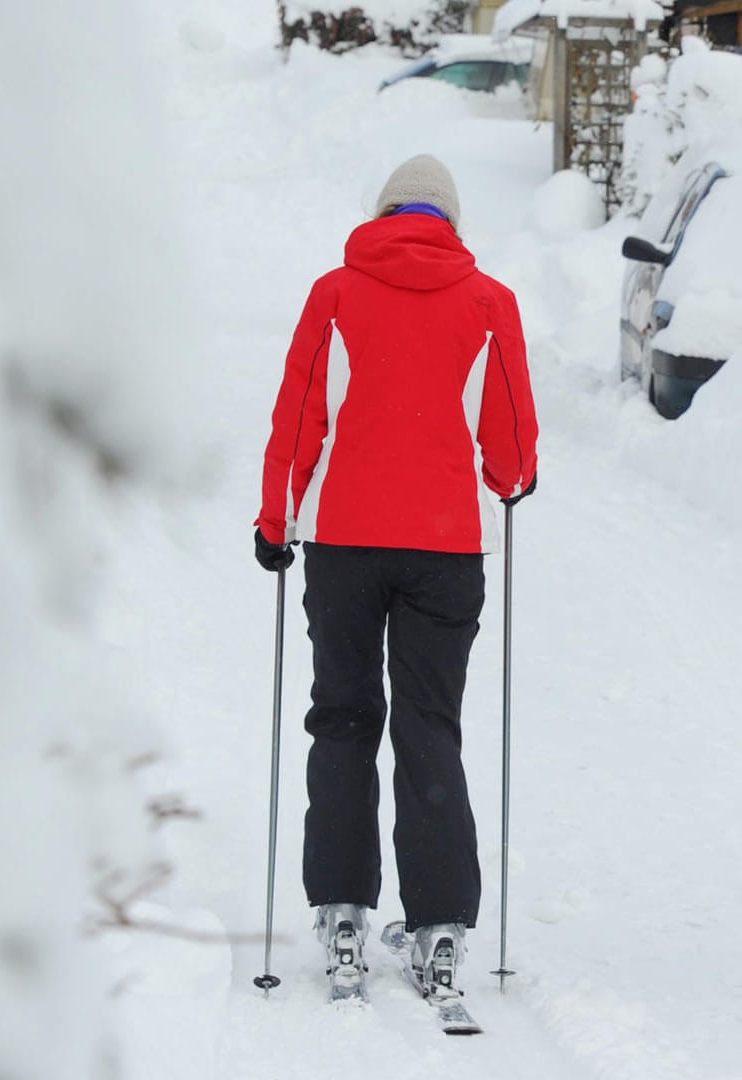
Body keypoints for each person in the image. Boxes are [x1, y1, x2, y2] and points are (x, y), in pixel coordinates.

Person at [253, 153, 539, 1003]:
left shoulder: (335, 295)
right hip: (446, 552)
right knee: (428, 726)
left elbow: (297, 417)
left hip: (343, 543)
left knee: (341, 718)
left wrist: (276, 522)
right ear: (451, 224)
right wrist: (511, 480)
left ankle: (342, 908)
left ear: (383, 216)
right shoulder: (491, 305)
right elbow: (513, 453)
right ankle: (440, 925)